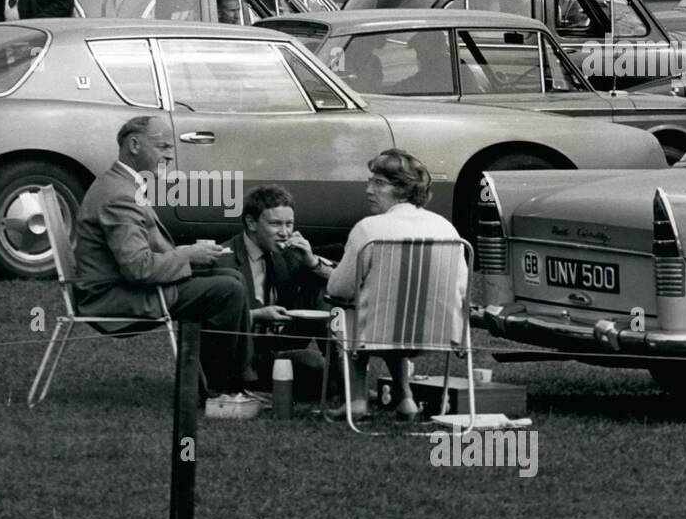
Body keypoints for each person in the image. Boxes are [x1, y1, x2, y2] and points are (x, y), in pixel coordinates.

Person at [71, 116, 255, 417]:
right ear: (134, 144)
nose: (170, 154)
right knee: (229, 289)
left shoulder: (121, 184)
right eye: (163, 146)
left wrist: (188, 253)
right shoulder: (119, 194)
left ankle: (229, 384)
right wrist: (187, 255)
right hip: (116, 297)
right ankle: (224, 391)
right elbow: (139, 268)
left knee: (230, 276)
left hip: (120, 287)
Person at [325, 150, 468, 421]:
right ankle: (405, 399)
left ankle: (356, 399)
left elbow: (339, 289)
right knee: (392, 312)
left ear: (403, 189)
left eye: (378, 183)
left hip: (378, 333)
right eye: (370, 181)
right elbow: (461, 288)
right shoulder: (446, 228)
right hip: (441, 332)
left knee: (345, 311)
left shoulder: (369, 229)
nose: (368, 190)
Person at [224, 185, 333, 399]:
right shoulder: (224, 259)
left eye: (289, 224)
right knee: (314, 365)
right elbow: (212, 323)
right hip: (243, 350)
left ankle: (342, 376)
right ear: (251, 223)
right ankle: (336, 380)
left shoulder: (289, 254)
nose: (285, 233)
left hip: (281, 341)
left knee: (322, 291)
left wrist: (311, 262)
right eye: (275, 224)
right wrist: (257, 315)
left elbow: (341, 283)